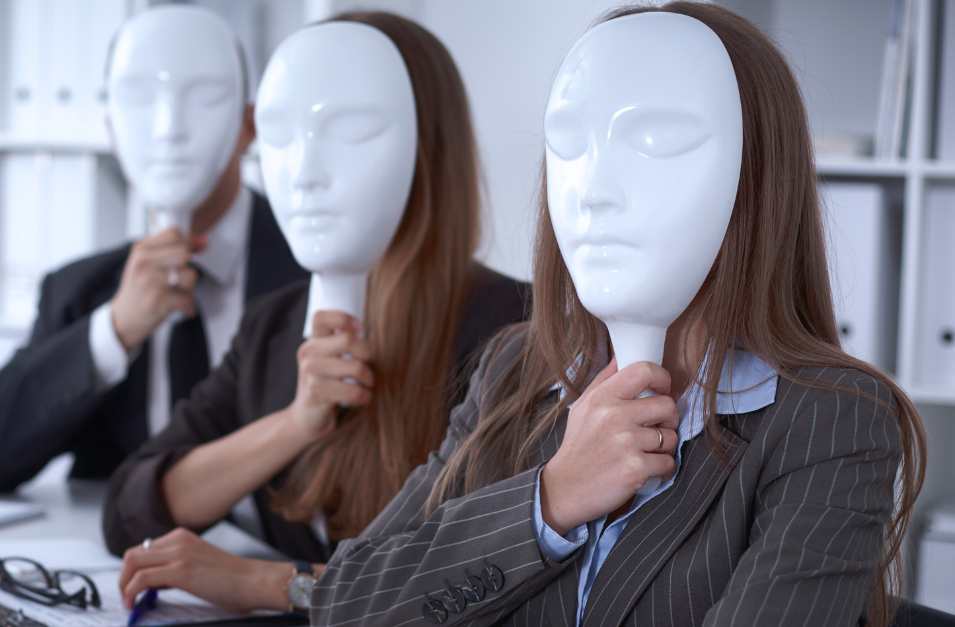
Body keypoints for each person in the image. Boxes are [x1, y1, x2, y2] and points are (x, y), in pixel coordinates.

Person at [309, 4, 926, 627]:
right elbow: (344, 602)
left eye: (657, 142)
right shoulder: (514, 369)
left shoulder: (833, 417)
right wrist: (548, 503)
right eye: (569, 142)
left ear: (755, 174)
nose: (594, 190)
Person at [103, 11, 531, 615]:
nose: (304, 174)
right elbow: (130, 510)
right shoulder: (274, 326)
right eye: (280, 134)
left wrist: (269, 583)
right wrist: (293, 425)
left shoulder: (514, 330)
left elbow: (487, 573)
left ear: (426, 147)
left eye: (350, 131)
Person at [0, 6, 307, 495]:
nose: (169, 128)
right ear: (112, 130)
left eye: (205, 98)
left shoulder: (314, 267)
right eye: (139, 99)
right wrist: (111, 332)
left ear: (248, 127)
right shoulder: (80, 292)